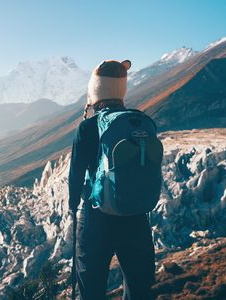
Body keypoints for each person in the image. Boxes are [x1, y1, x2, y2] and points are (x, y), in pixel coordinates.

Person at [68, 60, 155, 300]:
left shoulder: (87, 127)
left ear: (94, 89)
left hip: (96, 218)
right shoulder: (140, 122)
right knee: (139, 289)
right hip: (136, 214)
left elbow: (75, 176)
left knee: (91, 288)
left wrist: (73, 206)